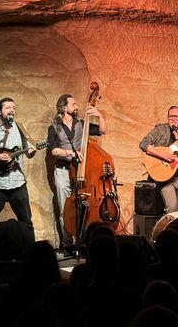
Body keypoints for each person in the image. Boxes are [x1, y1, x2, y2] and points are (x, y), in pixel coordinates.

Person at [47, 94, 106, 255]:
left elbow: (102, 130)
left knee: (84, 208)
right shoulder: (54, 127)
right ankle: (67, 244)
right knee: (64, 209)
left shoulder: (82, 123)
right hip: (63, 171)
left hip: (82, 173)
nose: (77, 106)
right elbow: (54, 151)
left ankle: (83, 242)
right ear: (64, 107)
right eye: (73, 104)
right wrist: (71, 153)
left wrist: (99, 115)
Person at [0, 97, 36, 253]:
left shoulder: (20, 128)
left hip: (18, 183)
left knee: (26, 222)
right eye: (8, 107)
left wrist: (31, 152)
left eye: (14, 107)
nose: (12, 110)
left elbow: (29, 152)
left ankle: (31, 255)